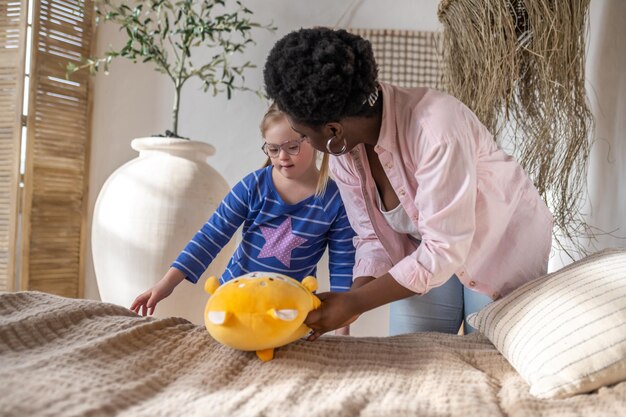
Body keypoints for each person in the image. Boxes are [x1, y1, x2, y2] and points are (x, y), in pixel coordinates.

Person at [262, 27, 553, 339]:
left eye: (303, 135)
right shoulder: (344, 151)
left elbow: (443, 249)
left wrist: (357, 300)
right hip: (428, 251)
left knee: (487, 355)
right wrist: (353, 300)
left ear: (333, 130)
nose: (304, 142)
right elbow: (372, 237)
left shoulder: (437, 130)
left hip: (498, 247)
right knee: (410, 353)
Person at [131, 104, 357, 335]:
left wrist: (342, 328)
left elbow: (342, 264)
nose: (283, 157)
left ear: (313, 140)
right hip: (236, 299)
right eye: (273, 149)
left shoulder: (334, 200)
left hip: (289, 309)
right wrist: (165, 284)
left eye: (293, 147)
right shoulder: (253, 186)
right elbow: (211, 235)